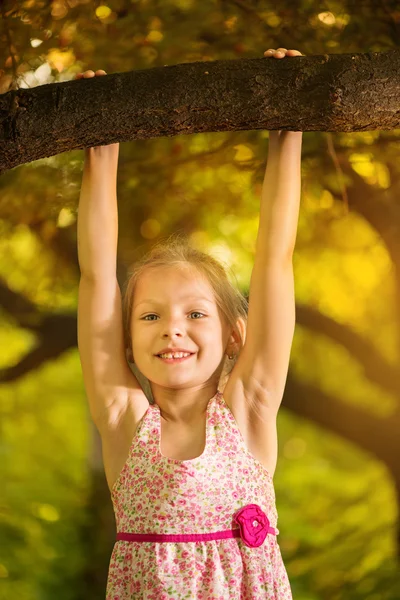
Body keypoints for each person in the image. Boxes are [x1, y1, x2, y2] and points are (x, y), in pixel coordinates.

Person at [76, 46, 303, 599]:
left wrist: (287, 132)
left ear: (234, 334)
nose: (171, 328)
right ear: (125, 338)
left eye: (195, 314)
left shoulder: (249, 408)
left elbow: (275, 259)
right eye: (150, 316)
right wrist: (101, 154)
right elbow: (96, 278)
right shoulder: (123, 418)